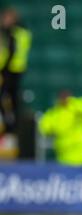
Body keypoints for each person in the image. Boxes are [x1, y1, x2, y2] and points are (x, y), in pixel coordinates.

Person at [38, 90, 82, 166]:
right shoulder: (54, 113)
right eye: (62, 98)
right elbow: (44, 127)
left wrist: (71, 103)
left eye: (66, 97)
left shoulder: (76, 106)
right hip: (64, 159)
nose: (64, 99)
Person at [0, 7, 32, 135]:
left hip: (11, 69)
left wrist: (2, 68)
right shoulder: (22, 32)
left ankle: (11, 125)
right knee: (12, 97)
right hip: (16, 68)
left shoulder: (13, 33)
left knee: (6, 96)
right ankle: (12, 124)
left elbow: (10, 52)